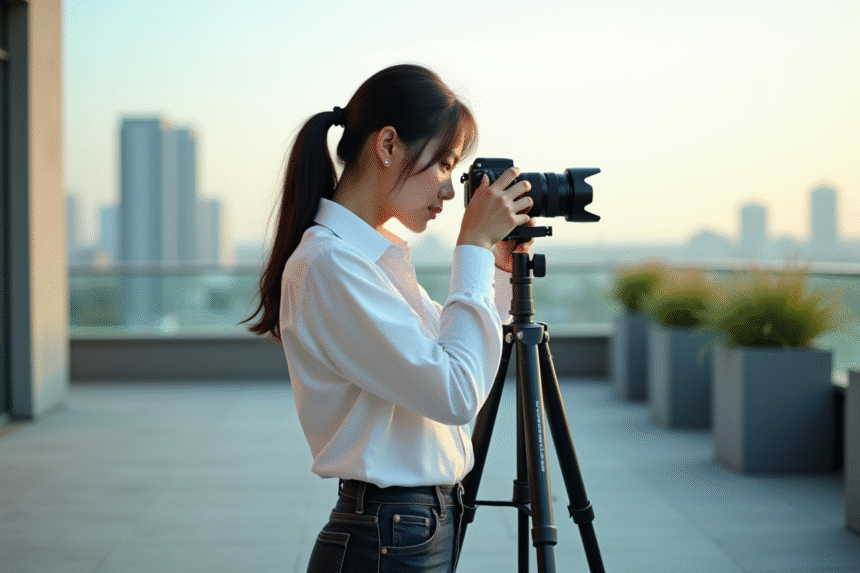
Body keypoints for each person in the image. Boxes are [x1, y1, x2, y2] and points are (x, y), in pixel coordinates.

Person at [246, 63, 534, 573]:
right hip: (388, 535)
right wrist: (472, 247)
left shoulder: (370, 261)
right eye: (444, 164)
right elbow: (456, 392)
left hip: (407, 529)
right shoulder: (330, 265)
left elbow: (459, 362)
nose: (450, 191)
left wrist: (499, 270)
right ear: (387, 146)